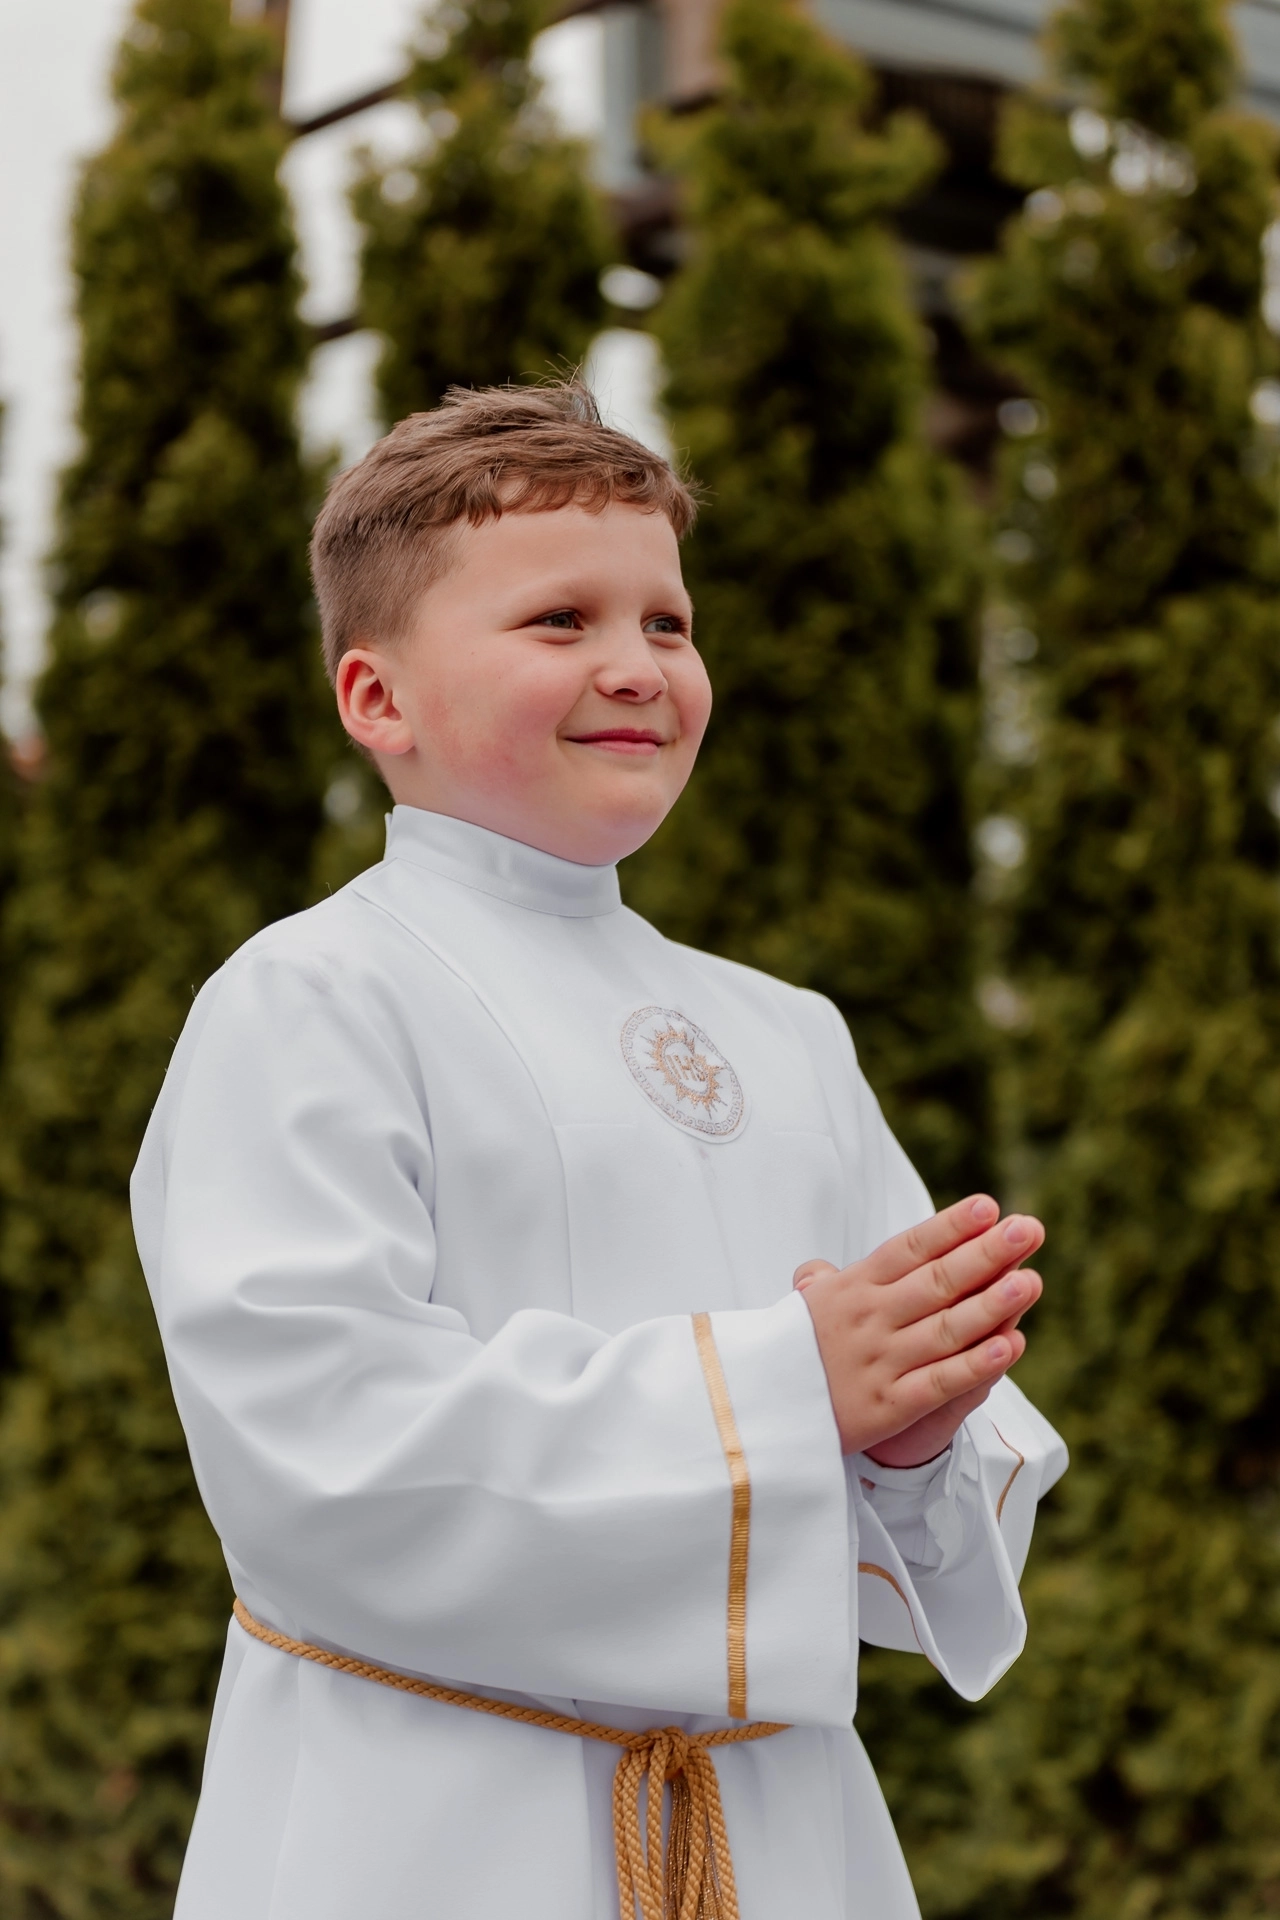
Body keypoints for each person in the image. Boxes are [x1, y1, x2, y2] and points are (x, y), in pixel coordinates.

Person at [132, 381, 1066, 1920]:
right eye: (560, 620)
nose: (637, 666)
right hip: (428, 1826)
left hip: (776, 1826)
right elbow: (320, 1450)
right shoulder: (313, 997)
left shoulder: (789, 1036)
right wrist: (788, 1389)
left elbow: (905, 1535)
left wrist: (907, 1441)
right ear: (377, 698)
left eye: (669, 624)